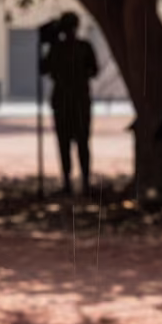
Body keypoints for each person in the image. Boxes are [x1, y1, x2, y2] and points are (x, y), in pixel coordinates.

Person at [40, 12, 99, 196]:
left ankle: (73, 182)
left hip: (70, 101)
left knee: (70, 143)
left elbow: (43, 68)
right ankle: (82, 182)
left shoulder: (62, 49)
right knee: (78, 143)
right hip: (75, 101)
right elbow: (94, 70)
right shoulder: (80, 47)